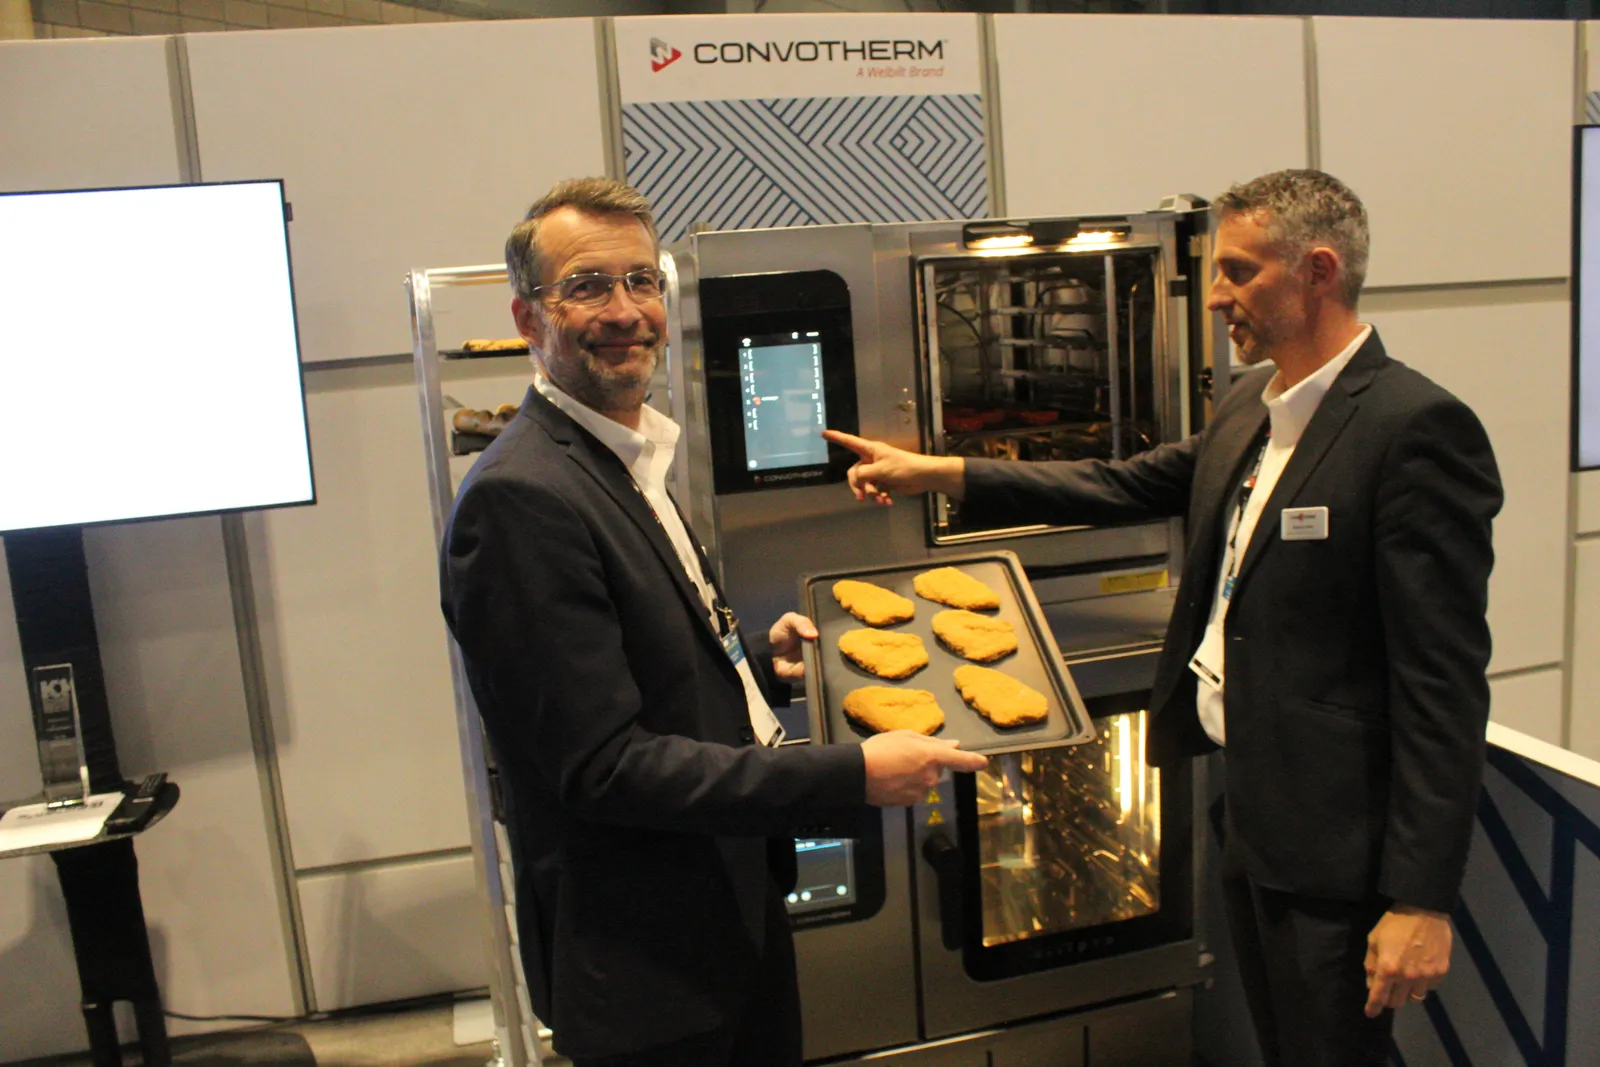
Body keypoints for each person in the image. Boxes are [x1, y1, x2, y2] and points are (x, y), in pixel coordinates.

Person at [824, 169, 1502, 1067]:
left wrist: (1420, 900)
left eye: (1239, 270)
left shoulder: (1414, 428)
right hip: (1254, 813)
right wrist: (941, 473)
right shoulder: (1250, 409)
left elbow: (1441, 684)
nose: (1217, 294)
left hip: (1341, 850)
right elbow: (1119, 483)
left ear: (1319, 271)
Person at [439, 177, 986, 1067]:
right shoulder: (520, 498)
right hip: (650, 960)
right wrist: (849, 772)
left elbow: (643, 659)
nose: (626, 310)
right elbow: (604, 765)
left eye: (641, 280)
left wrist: (752, 669)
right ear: (528, 318)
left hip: (725, 909)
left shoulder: (627, 454)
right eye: (587, 287)